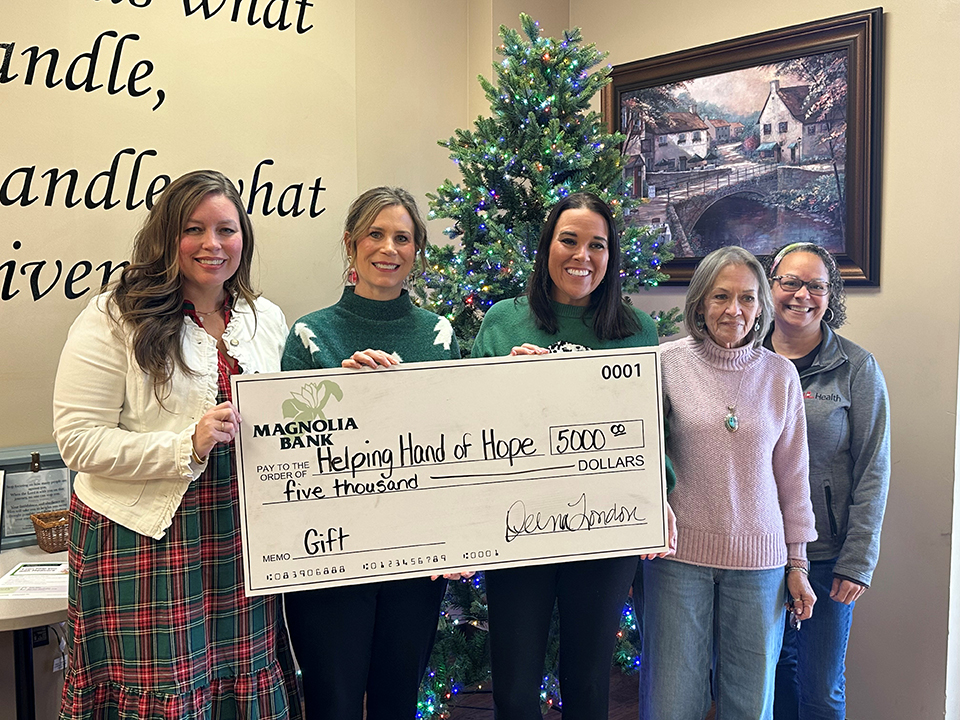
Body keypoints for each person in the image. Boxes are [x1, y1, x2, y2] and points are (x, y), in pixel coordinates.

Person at [53, 170, 301, 719]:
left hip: (239, 538)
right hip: (142, 537)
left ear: (245, 239)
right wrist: (184, 446)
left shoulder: (266, 320)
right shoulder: (114, 317)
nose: (212, 245)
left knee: (237, 681)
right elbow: (78, 442)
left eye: (226, 230)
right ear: (168, 237)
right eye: (195, 229)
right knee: (164, 689)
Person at [472, 191, 673, 720]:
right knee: (515, 687)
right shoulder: (503, 321)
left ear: (612, 257)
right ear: (547, 247)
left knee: (587, 683)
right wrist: (503, 382)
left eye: (597, 245)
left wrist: (659, 498)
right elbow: (467, 426)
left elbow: (653, 432)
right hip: (518, 529)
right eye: (569, 240)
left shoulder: (637, 331)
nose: (582, 255)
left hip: (602, 530)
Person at [281, 187, 460, 720]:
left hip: (413, 555)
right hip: (328, 558)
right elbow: (286, 448)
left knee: (396, 701)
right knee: (332, 703)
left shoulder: (438, 334)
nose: (388, 248)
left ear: (416, 250)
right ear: (350, 243)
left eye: (402, 237)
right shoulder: (311, 333)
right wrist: (339, 389)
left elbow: (454, 441)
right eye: (375, 235)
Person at [640, 246, 817, 720]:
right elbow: (640, 458)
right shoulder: (664, 363)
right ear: (700, 302)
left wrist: (797, 563)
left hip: (760, 564)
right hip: (677, 559)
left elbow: (793, 477)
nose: (734, 310)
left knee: (750, 705)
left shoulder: (780, 375)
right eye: (721, 296)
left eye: (747, 298)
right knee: (672, 703)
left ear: (762, 306)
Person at [765, 242, 891, 720]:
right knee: (767, 682)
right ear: (771, 285)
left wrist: (858, 561)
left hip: (827, 557)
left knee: (819, 690)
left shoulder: (856, 368)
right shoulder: (745, 358)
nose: (802, 295)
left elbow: (873, 468)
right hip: (756, 554)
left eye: (816, 285)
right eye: (790, 282)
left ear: (830, 293)